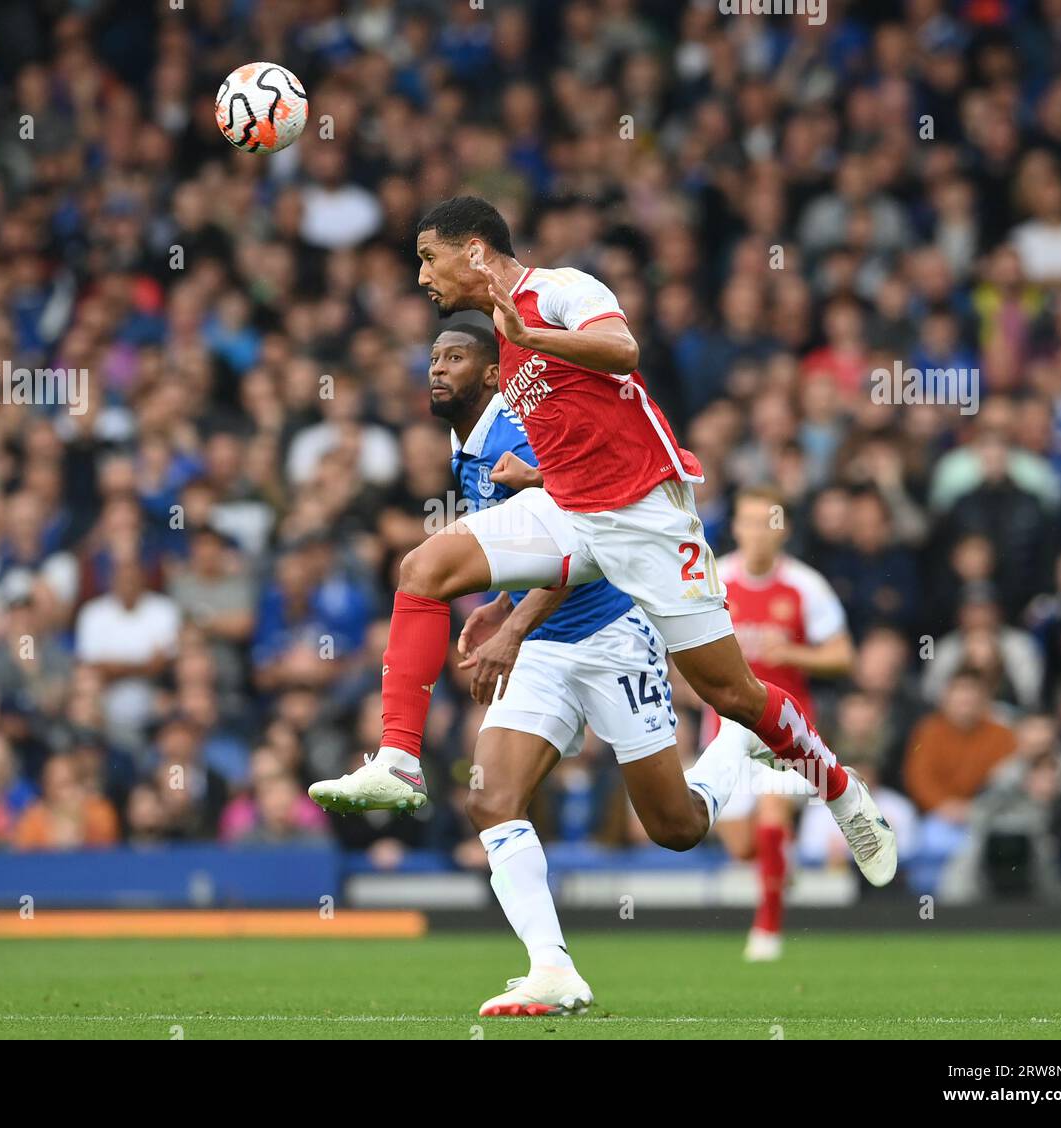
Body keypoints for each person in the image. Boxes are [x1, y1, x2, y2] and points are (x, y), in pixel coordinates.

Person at [310, 195, 894, 894]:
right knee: (424, 566)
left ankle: (838, 790)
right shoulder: (503, 323)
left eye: (428, 258)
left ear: (473, 251)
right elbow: (580, 422)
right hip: (573, 510)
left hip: (648, 517)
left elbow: (623, 350)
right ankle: (401, 757)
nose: (420, 277)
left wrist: (536, 335)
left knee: (731, 695)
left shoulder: (556, 291)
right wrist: (513, 588)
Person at [316, 325, 765, 1015]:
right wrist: (502, 605)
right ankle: (552, 968)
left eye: (455, 357)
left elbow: (587, 539)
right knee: (491, 798)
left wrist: (512, 628)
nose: (437, 369)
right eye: (433, 358)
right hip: (543, 645)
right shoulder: (464, 444)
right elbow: (527, 543)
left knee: (675, 827)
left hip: (612, 631)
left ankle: (738, 736)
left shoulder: (522, 432)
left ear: (495, 375)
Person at [709, 485, 855, 962]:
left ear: (783, 529)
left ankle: (767, 929)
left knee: (773, 814)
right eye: (748, 521)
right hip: (726, 727)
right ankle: (778, 864)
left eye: (767, 522)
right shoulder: (714, 579)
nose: (757, 532)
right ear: (735, 527)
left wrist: (791, 652)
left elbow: (842, 654)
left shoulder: (804, 585)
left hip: (785, 728)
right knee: (742, 843)